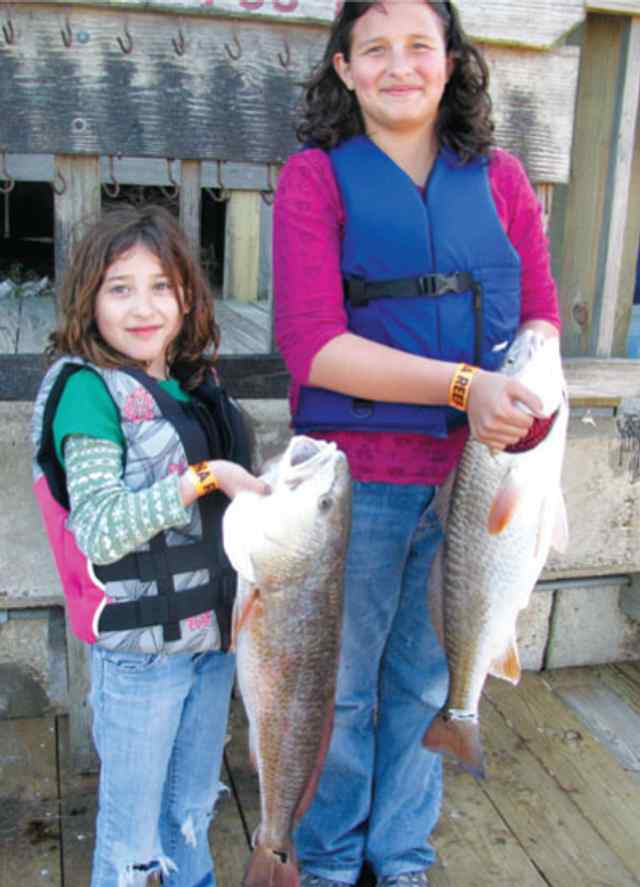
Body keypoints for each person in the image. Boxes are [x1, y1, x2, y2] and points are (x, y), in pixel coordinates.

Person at [273, 2, 561, 885]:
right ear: (343, 68)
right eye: (375, 49)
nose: (399, 66)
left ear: (451, 60)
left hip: (481, 491)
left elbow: (541, 310)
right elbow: (315, 345)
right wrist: (464, 387)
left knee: (429, 684)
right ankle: (323, 860)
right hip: (353, 491)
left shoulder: (503, 178)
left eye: (419, 46)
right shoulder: (313, 180)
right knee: (340, 688)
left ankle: (399, 858)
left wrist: (530, 400)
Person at [31, 204, 269, 887]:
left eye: (160, 285)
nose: (143, 306)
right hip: (142, 663)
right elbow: (100, 525)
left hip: (212, 648)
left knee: (192, 810)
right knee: (133, 841)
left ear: (187, 296)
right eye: (120, 287)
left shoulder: (193, 387)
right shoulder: (87, 392)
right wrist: (203, 478)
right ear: (89, 299)